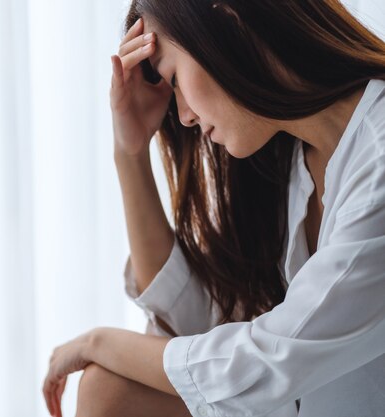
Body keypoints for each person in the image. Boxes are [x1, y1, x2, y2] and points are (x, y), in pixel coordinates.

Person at [42, 0, 385, 416]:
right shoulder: (290, 159)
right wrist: (130, 153)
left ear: (230, 24)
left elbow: (262, 364)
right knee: (109, 387)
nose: (183, 117)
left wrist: (97, 342)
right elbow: (197, 330)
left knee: (110, 379)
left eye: (174, 78)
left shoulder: (378, 159)